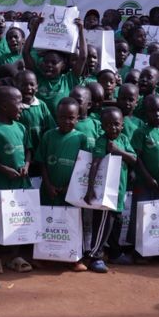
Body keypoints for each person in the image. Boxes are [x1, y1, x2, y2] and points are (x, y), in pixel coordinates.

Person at [37, 97, 91, 271]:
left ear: (78, 118)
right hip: (49, 189)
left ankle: (74, 258)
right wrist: (48, 184)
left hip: (72, 191)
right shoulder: (48, 136)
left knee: (73, 223)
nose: (67, 121)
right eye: (62, 117)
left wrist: (72, 186)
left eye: (71, 117)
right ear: (56, 116)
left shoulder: (82, 138)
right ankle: (43, 256)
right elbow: (42, 162)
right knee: (48, 222)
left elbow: (84, 167)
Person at [0, 86, 33, 274]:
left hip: (19, 184)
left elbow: (28, 150)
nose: (22, 106)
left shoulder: (21, 127)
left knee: (17, 219)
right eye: (18, 102)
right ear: (4, 106)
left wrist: (27, 165)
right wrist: (3, 169)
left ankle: (15, 256)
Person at [85, 106, 136, 273]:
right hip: (106, 193)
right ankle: (95, 256)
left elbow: (133, 159)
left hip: (119, 191)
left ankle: (114, 254)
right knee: (103, 225)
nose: (113, 128)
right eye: (108, 125)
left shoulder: (123, 140)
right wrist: (90, 188)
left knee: (117, 223)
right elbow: (95, 164)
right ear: (102, 126)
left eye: (116, 124)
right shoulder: (101, 141)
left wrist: (117, 151)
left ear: (122, 125)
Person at [129, 94, 159, 263]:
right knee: (142, 217)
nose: (156, 114)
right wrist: (148, 177)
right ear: (145, 113)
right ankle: (140, 252)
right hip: (145, 184)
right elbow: (138, 158)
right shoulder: (140, 132)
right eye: (152, 111)